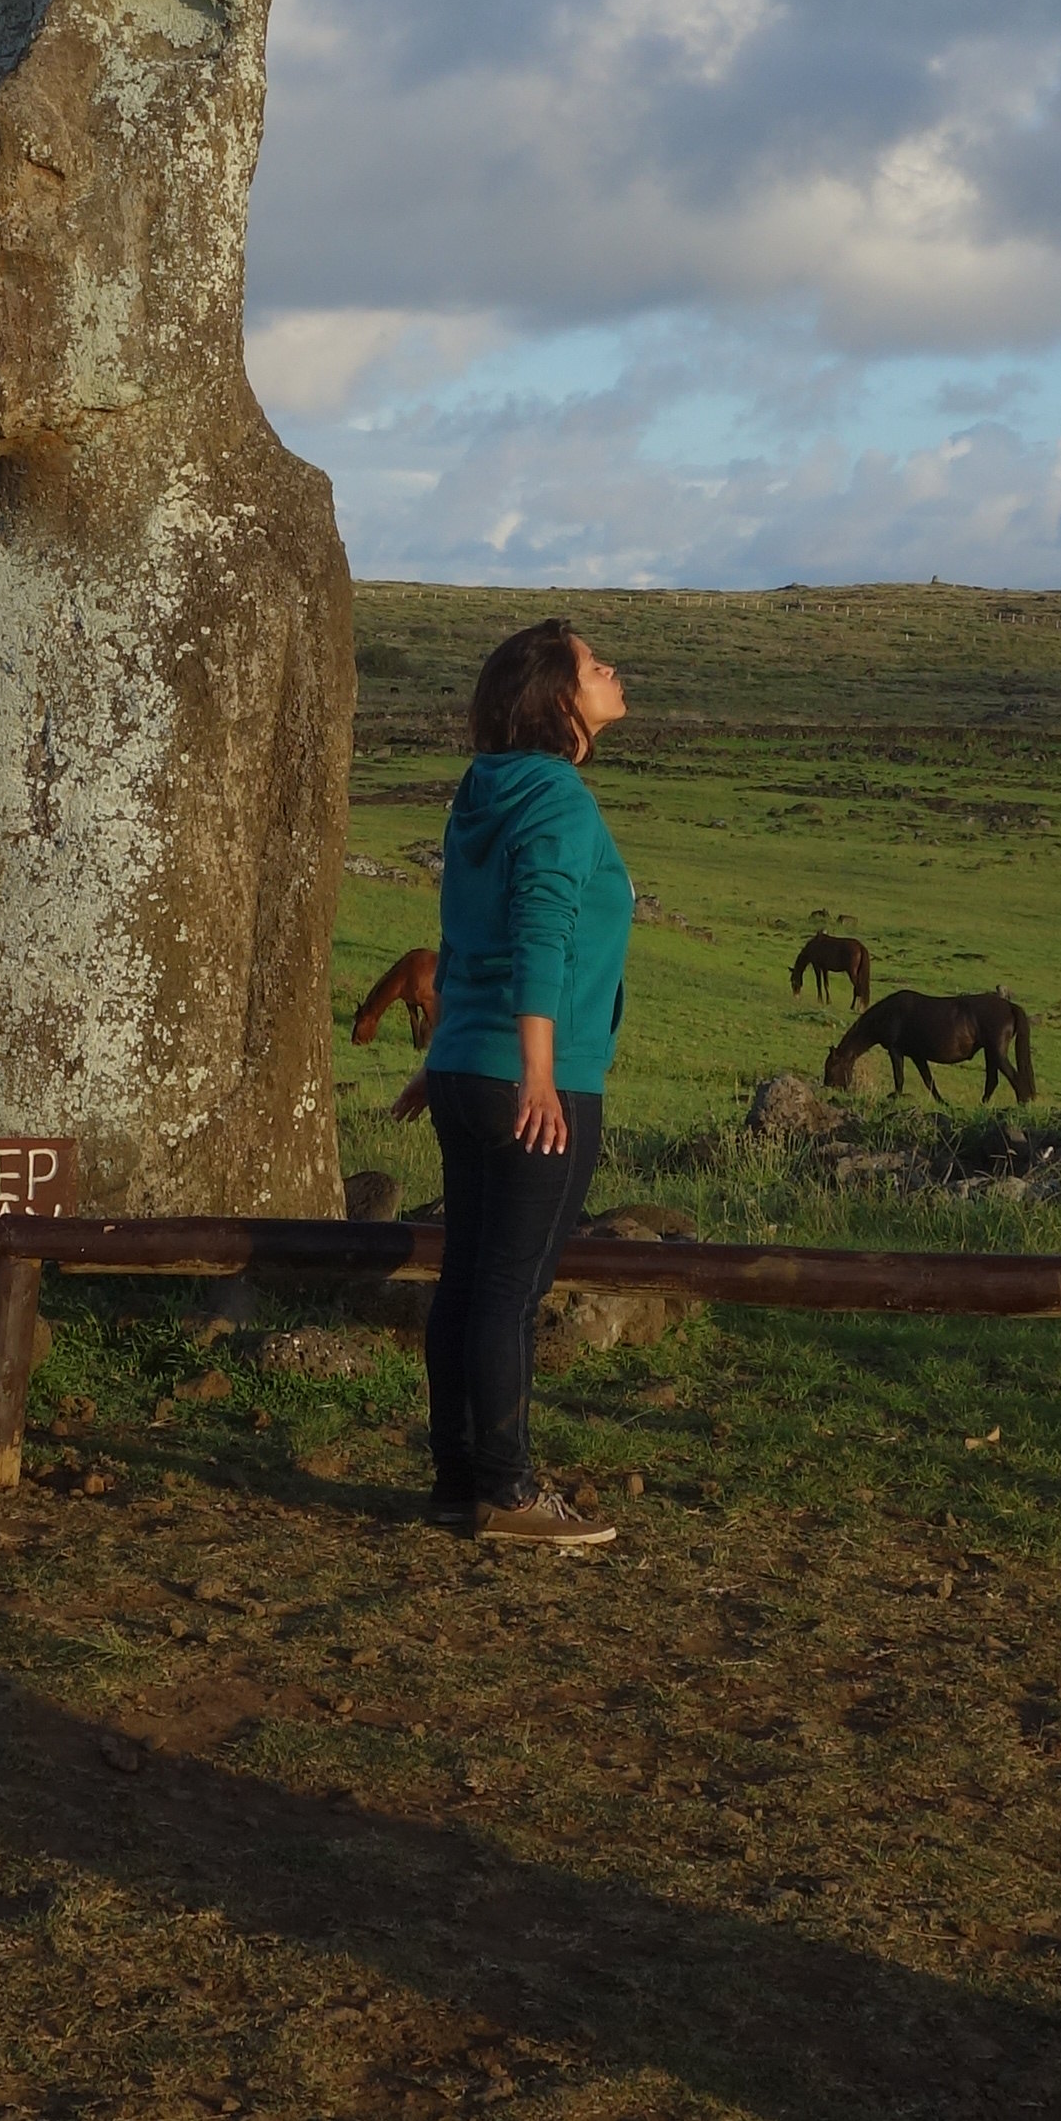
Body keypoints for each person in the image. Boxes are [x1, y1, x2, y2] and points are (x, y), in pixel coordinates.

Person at [402, 617, 634, 1548]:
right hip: (534, 1077)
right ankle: (508, 1492)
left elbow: (462, 931)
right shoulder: (559, 797)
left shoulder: (484, 789)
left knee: (467, 1281)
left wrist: (444, 1053)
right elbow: (540, 933)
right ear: (557, 700)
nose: (611, 670)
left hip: (467, 1068)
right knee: (509, 1289)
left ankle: (458, 1482)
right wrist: (540, 1074)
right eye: (592, 665)